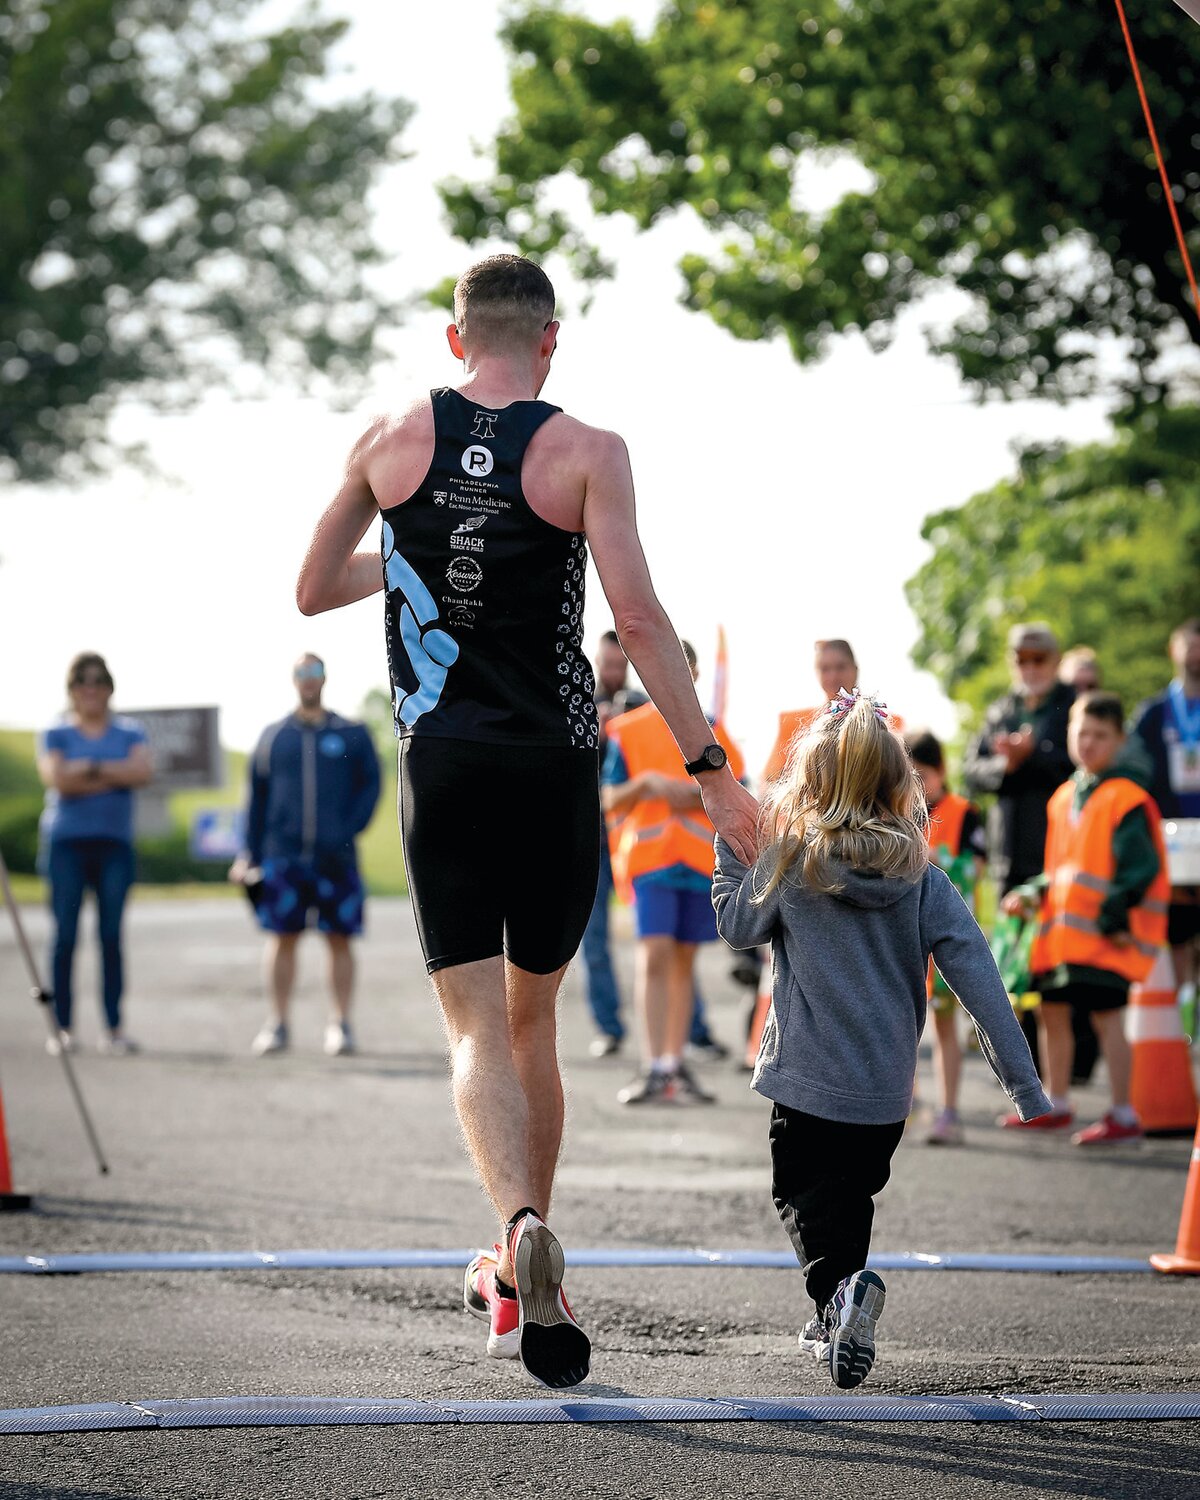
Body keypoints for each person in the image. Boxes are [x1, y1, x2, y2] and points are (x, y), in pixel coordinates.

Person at [293, 254, 758, 1389]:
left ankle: (518, 1231)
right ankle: (530, 1246)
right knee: (533, 1021)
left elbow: (311, 588)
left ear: (455, 340)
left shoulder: (387, 439)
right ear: (549, 342)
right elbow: (640, 619)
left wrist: (412, 546)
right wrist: (713, 773)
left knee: (471, 1030)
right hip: (554, 763)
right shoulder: (589, 451)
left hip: (442, 765)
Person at [713, 690, 1049, 1390]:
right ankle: (836, 1309)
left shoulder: (792, 864)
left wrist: (729, 855)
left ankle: (838, 1296)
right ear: (902, 788)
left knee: (802, 1196)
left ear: (809, 785)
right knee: (851, 1198)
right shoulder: (923, 879)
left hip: (805, 1079)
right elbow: (979, 977)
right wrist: (1021, 1080)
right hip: (884, 1094)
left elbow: (740, 929)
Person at [1002, 692, 1170, 1144]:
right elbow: (1061, 870)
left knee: (1106, 1017)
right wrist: (1031, 891)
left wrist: (1114, 917)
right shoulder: (1062, 798)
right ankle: (1055, 1103)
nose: (1089, 742)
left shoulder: (1126, 798)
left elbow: (1140, 869)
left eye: (1101, 735)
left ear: (1118, 740)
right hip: (1063, 939)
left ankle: (1123, 1113)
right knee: (1052, 1012)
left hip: (1105, 935)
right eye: (1082, 733)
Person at [603, 640, 746, 1105]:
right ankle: (654, 1065)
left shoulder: (716, 730)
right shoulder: (629, 731)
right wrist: (647, 786)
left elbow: (740, 791)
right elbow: (606, 799)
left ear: (697, 674)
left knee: (684, 961)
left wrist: (698, 793)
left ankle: (673, 1065)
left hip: (699, 863)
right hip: (650, 864)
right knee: (655, 954)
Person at [229, 654, 381, 1059]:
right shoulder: (274, 737)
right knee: (282, 939)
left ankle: (340, 1024)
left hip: (338, 858)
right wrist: (249, 855)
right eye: (301, 673)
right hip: (283, 858)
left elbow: (371, 785)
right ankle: (277, 1023)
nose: (308, 680)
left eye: (314, 672)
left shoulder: (351, 733)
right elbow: (256, 801)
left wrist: (349, 829)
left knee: (340, 940)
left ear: (324, 678)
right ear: (293, 680)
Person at [35, 652, 153, 1055]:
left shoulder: (131, 731)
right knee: (65, 936)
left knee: (110, 936)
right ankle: (63, 1027)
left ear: (109, 688)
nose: (91, 689)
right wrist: (110, 773)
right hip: (65, 844)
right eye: (82, 682)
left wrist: (86, 769)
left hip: (113, 846)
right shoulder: (55, 733)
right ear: (71, 690)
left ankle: (114, 1028)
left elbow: (141, 774)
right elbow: (58, 781)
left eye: (98, 681)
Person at [904, 730, 988, 1147]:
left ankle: (950, 1110)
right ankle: (905, 1104)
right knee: (903, 1022)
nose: (916, 785)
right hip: (904, 938)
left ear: (940, 771)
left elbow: (977, 871)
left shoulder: (964, 812)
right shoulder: (899, 811)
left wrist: (943, 861)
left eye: (922, 774)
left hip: (947, 936)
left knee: (943, 1024)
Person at [1130, 619, 1200, 1007]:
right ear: (1173, 651)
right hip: (1169, 837)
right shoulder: (1153, 713)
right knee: (1177, 928)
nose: (1195, 655)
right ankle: (1181, 1015)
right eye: (1189, 646)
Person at [761, 638, 859, 787]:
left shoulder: (886, 723)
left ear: (855, 669)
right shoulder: (793, 725)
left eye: (840, 667)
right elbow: (769, 783)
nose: (833, 676)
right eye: (825, 669)